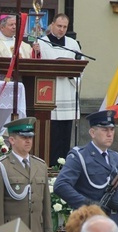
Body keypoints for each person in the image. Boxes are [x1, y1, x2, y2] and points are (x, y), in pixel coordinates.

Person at [53, 110, 118, 232]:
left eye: (112, 129)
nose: (110, 134)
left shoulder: (117, 159)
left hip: (114, 227)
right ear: (92, 132)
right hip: (90, 224)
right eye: (105, 130)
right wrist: (89, 205)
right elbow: (60, 185)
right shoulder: (79, 156)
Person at [0, 117, 53, 232]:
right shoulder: (1, 166)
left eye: (30, 137)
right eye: (23, 137)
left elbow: (45, 205)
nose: (28, 141)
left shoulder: (40, 166)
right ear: (12, 140)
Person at [37, 13, 84, 167]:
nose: (62, 30)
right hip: (50, 95)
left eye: (65, 27)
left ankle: (63, 165)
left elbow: (80, 66)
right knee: (52, 134)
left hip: (67, 92)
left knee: (64, 133)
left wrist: (72, 72)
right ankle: (49, 165)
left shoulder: (72, 44)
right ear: (52, 25)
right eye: (59, 26)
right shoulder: (41, 43)